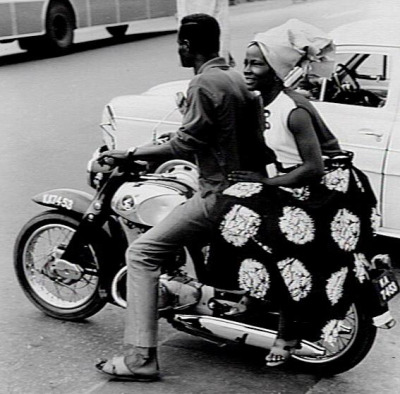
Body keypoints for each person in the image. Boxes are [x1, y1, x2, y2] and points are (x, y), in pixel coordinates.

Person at [206, 19, 396, 367]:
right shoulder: (264, 101)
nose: (246, 70)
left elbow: (314, 167)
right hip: (298, 184)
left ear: (276, 70)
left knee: (283, 243)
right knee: (228, 211)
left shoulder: (293, 110)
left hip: (331, 191)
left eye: (256, 63)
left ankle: (288, 329)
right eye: (245, 62)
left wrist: (268, 183)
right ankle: (254, 292)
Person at [94, 13, 271, 381]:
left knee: (141, 253)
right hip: (251, 186)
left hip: (220, 194)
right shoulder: (236, 78)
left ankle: (140, 357)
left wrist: (130, 154)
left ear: (187, 45)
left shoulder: (204, 83)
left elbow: (187, 142)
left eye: (179, 43)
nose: (178, 49)